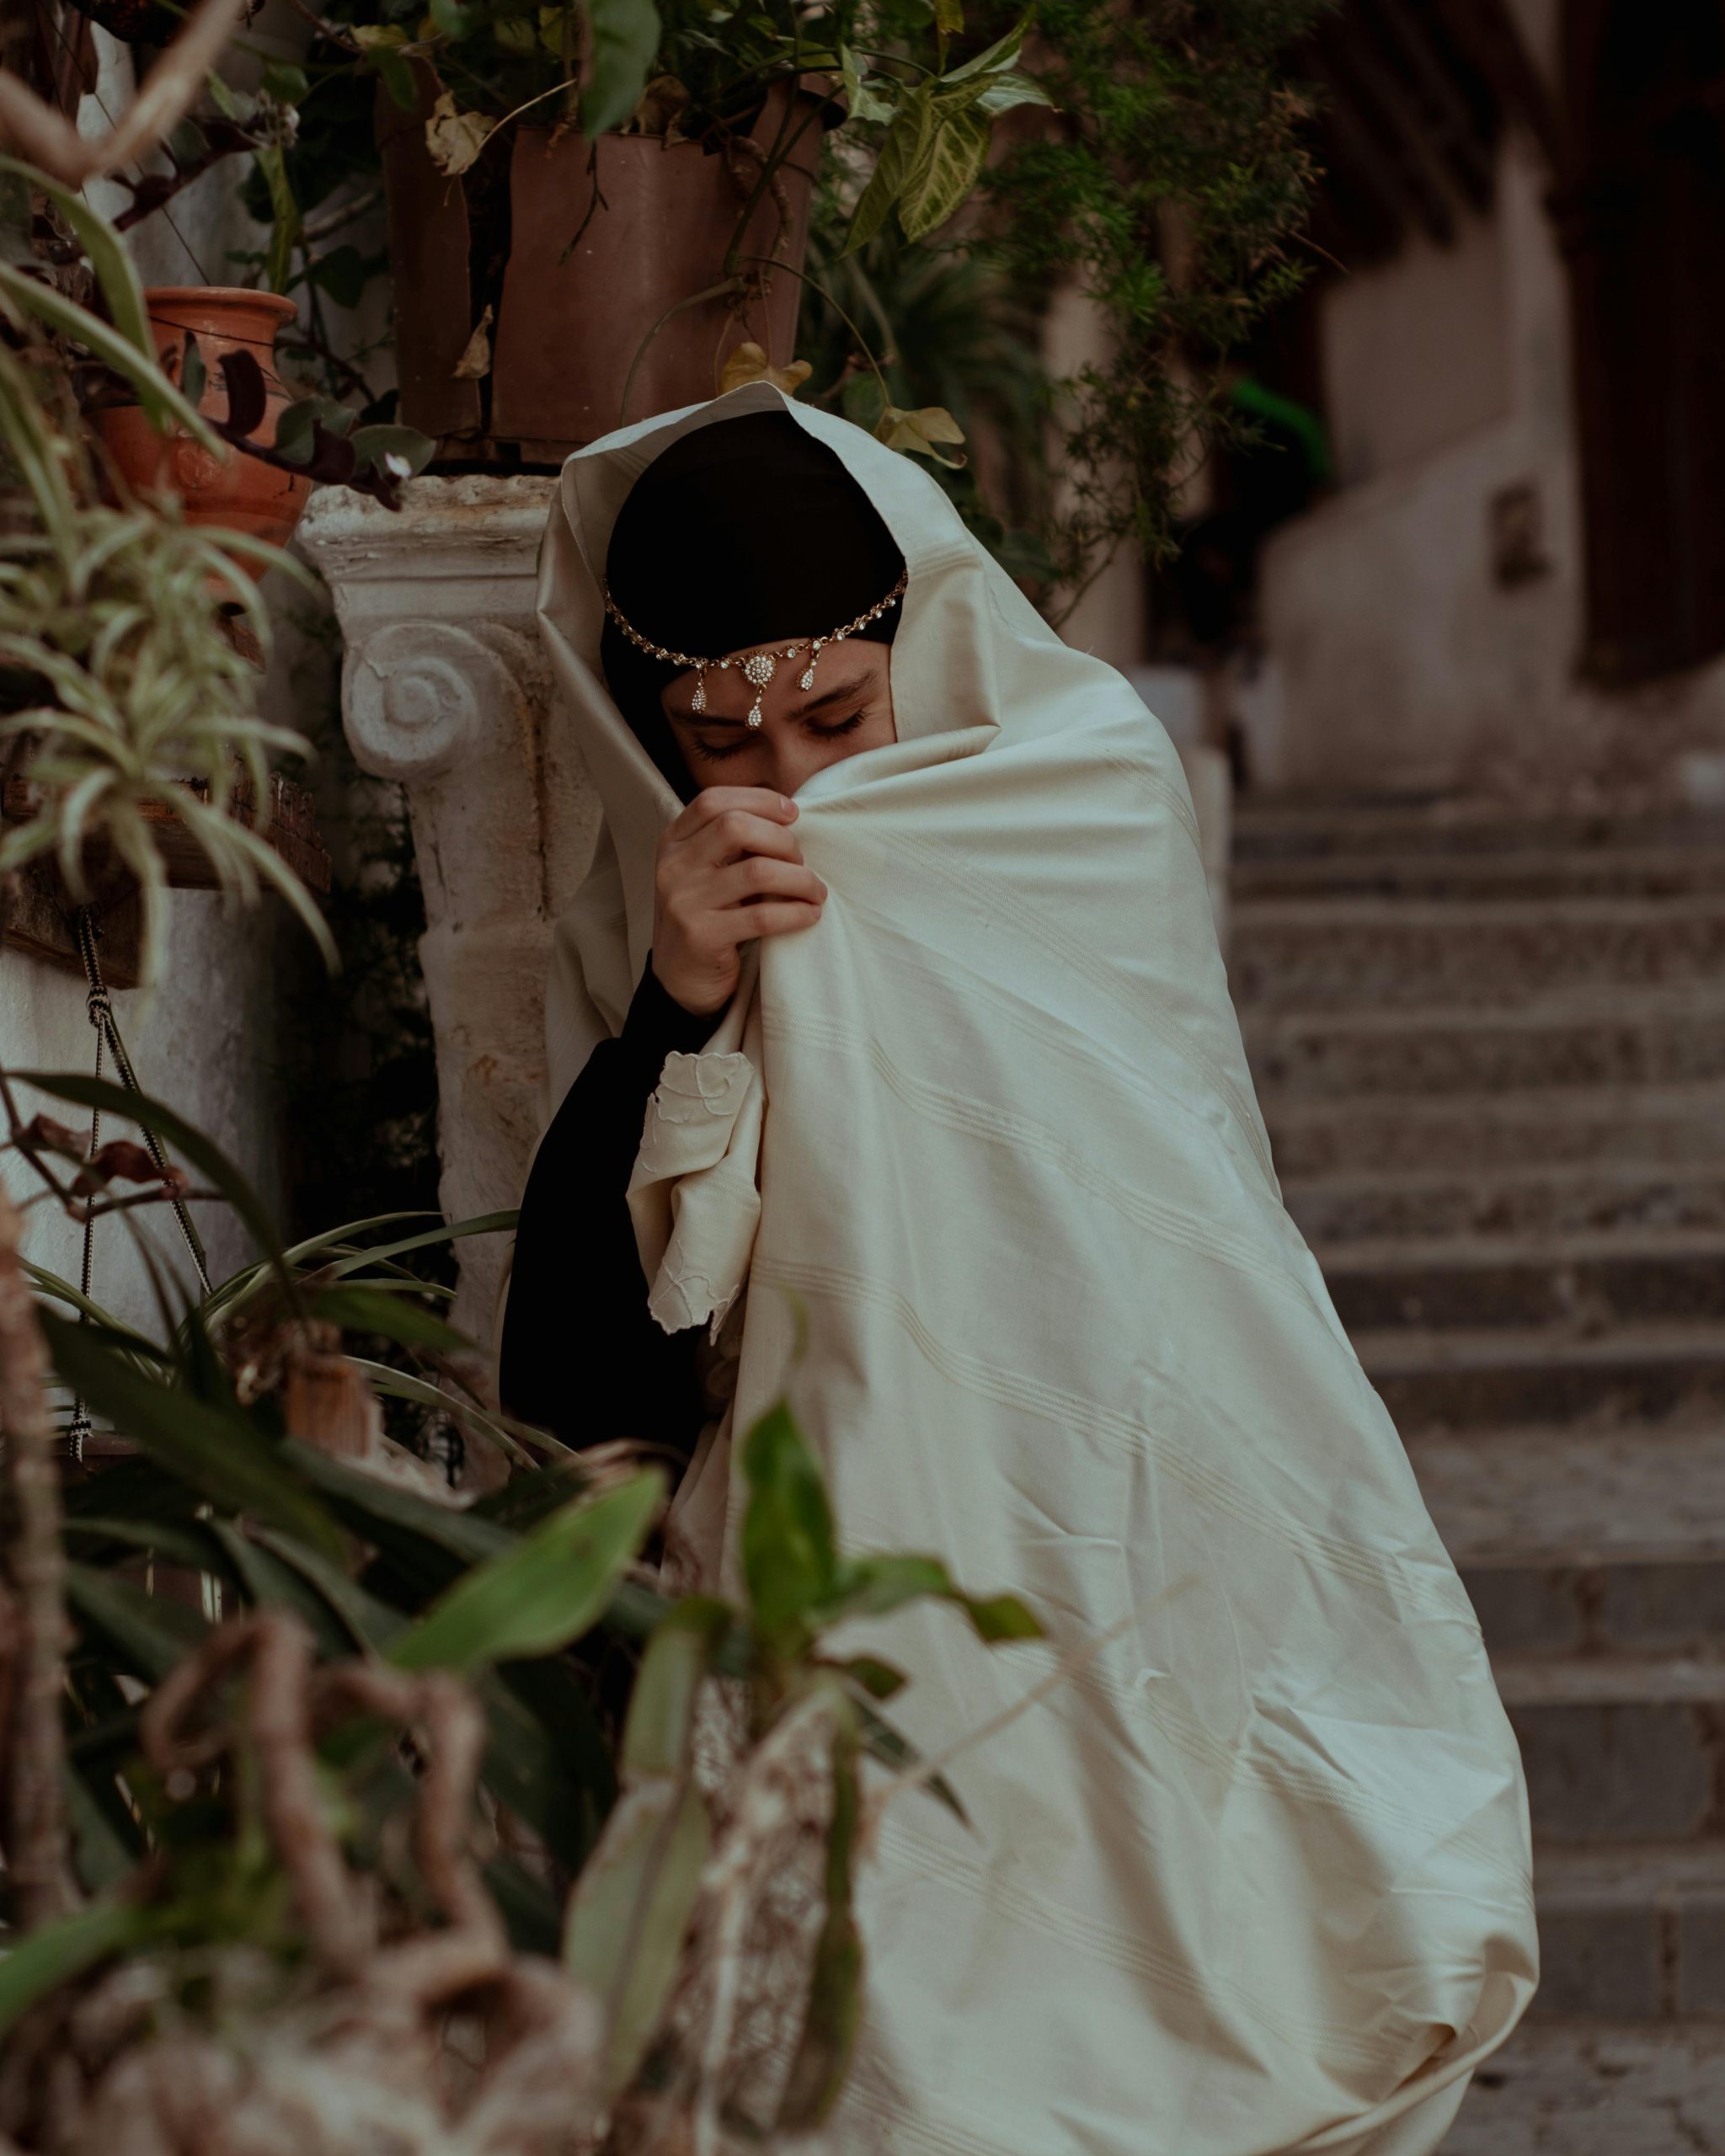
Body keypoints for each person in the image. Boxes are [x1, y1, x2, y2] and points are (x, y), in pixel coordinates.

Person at [507, 386, 1538, 2156]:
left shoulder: (1087, 796)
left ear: (926, 634)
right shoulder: (652, 887)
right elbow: (572, 1369)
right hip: (838, 1566)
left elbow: (1180, 1211)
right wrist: (671, 1005)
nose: (794, 792)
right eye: (718, 740)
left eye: (836, 717)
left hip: (1141, 1507)